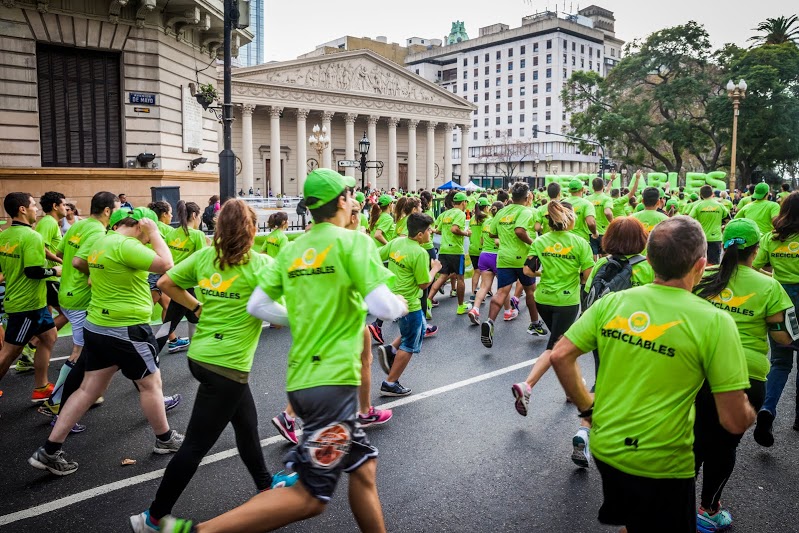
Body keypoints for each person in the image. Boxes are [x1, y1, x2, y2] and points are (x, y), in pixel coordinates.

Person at [158, 168, 406, 533]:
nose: (354, 202)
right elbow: (383, 308)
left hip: (304, 383)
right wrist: (399, 302)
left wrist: (301, 318)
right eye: (351, 196)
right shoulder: (354, 242)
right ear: (340, 201)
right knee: (309, 498)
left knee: (363, 468)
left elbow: (257, 306)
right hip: (332, 386)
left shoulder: (293, 249)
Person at [549, 216, 755, 532]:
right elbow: (732, 421)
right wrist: (753, 409)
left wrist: (588, 409)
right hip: (664, 464)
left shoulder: (614, 302)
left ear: (652, 259)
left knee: (634, 521)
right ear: (701, 266)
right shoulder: (714, 321)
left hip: (607, 450)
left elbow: (561, 355)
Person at [129, 199, 297, 533]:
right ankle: (153, 518)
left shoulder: (206, 256)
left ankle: (265, 484)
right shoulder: (261, 264)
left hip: (203, 358)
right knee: (194, 446)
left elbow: (164, 283)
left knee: (247, 425)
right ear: (251, 229)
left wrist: (196, 306)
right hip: (227, 367)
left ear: (219, 228)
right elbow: (280, 318)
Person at [28, 208, 184, 476]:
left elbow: (90, 277)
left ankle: (50, 450)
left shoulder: (100, 241)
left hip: (98, 326)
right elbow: (166, 265)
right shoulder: (125, 245)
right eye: (147, 234)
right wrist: (155, 233)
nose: (148, 241)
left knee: (88, 389)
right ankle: (165, 439)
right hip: (126, 328)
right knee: (151, 384)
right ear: (140, 226)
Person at [693, 218, 794, 531]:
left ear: (723, 246)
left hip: (695, 374)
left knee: (690, 443)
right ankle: (709, 510)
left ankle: (670, 507)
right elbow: (784, 338)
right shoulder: (769, 286)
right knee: (723, 447)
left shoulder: (701, 276)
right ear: (756, 250)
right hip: (744, 379)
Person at [510, 201, 593, 424]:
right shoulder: (579, 242)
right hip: (566, 301)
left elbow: (527, 270)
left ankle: (571, 391)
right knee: (556, 347)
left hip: (543, 299)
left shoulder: (540, 241)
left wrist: (545, 275)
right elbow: (587, 276)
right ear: (570, 218)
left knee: (563, 345)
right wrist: (571, 277)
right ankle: (526, 385)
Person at [38, 192, 119, 421]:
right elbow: (79, 261)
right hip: (80, 298)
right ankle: (56, 402)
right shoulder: (96, 231)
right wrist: (99, 276)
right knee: (79, 351)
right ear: (107, 211)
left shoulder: (77, 227)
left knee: (94, 349)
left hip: (67, 292)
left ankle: (88, 393)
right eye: (115, 209)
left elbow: (62, 254)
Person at [0, 192, 60, 402]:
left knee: (49, 337)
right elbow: (33, 271)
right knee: (9, 352)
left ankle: (41, 388)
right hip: (25, 305)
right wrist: (55, 272)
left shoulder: (4, 235)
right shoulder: (32, 236)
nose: (37, 209)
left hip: (35, 302)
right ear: (22, 209)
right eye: (33, 205)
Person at [376, 213, 442, 397]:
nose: (431, 233)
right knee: (410, 344)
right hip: (410, 303)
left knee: (420, 329)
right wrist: (435, 269)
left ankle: (390, 349)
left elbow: (376, 256)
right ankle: (390, 383)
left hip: (396, 299)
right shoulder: (420, 252)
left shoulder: (398, 242)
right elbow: (423, 283)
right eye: (429, 230)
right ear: (420, 234)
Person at [752, 191, 799, 445]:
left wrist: (774, 277)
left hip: (780, 303)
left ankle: (767, 410)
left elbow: (755, 264)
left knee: (781, 362)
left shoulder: (772, 238)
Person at [482, 183, 546, 348]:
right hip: (521, 258)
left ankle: (489, 322)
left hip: (503, 257)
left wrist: (505, 233)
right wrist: (533, 244)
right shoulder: (525, 211)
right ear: (526, 198)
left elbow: (491, 233)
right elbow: (519, 230)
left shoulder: (502, 211)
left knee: (502, 291)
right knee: (530, 291)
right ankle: (534, 324)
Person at [153, 201, 208, 354]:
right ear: (194, 215)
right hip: (182, 284)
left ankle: (196, 351)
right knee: (169, 324)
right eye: (200, 217)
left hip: (172, 280)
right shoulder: (197, 235)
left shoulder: (172, 233)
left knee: (194, 315)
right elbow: (203, 261)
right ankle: (150, 354)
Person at [148, 202, 188, 353]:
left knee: (167, 306)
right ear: (164, 214)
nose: (172, 216)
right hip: (155, 274)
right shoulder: (168, 230)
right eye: (170, 213)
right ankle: (141, 343)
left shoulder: (146, 226)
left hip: (153, 273)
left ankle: (172, 340)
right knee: (143, 311)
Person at [426, 192, 471, 315]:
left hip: (444, 249)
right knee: (460, 277)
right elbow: (454, 229)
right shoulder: (460, 214)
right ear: (463, 202)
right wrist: (466, 233)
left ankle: (428, 302)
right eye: (466, 202)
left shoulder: (445, 214)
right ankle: (461, 306)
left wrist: (431, 230)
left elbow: (438, 231)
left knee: (442, 277)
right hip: (456, 250)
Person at [689, 185, 730, 265]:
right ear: (712, 193)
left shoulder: (698, 206)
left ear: (701, 195)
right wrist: (722, 227)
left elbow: (689, 220)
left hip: (702, 238)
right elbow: (728, 220)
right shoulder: (720, 206)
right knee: (714, 265)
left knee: (701, 263)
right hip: (716, 238)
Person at [586, 177, 614, 257]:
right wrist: (613, 222)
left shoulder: (586, 199)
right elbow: (607, 212)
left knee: (592, 256)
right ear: (603, 187)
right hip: (604, 231)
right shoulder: (606, 199)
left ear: (592, 187)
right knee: (606, 257)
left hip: (590, 231)